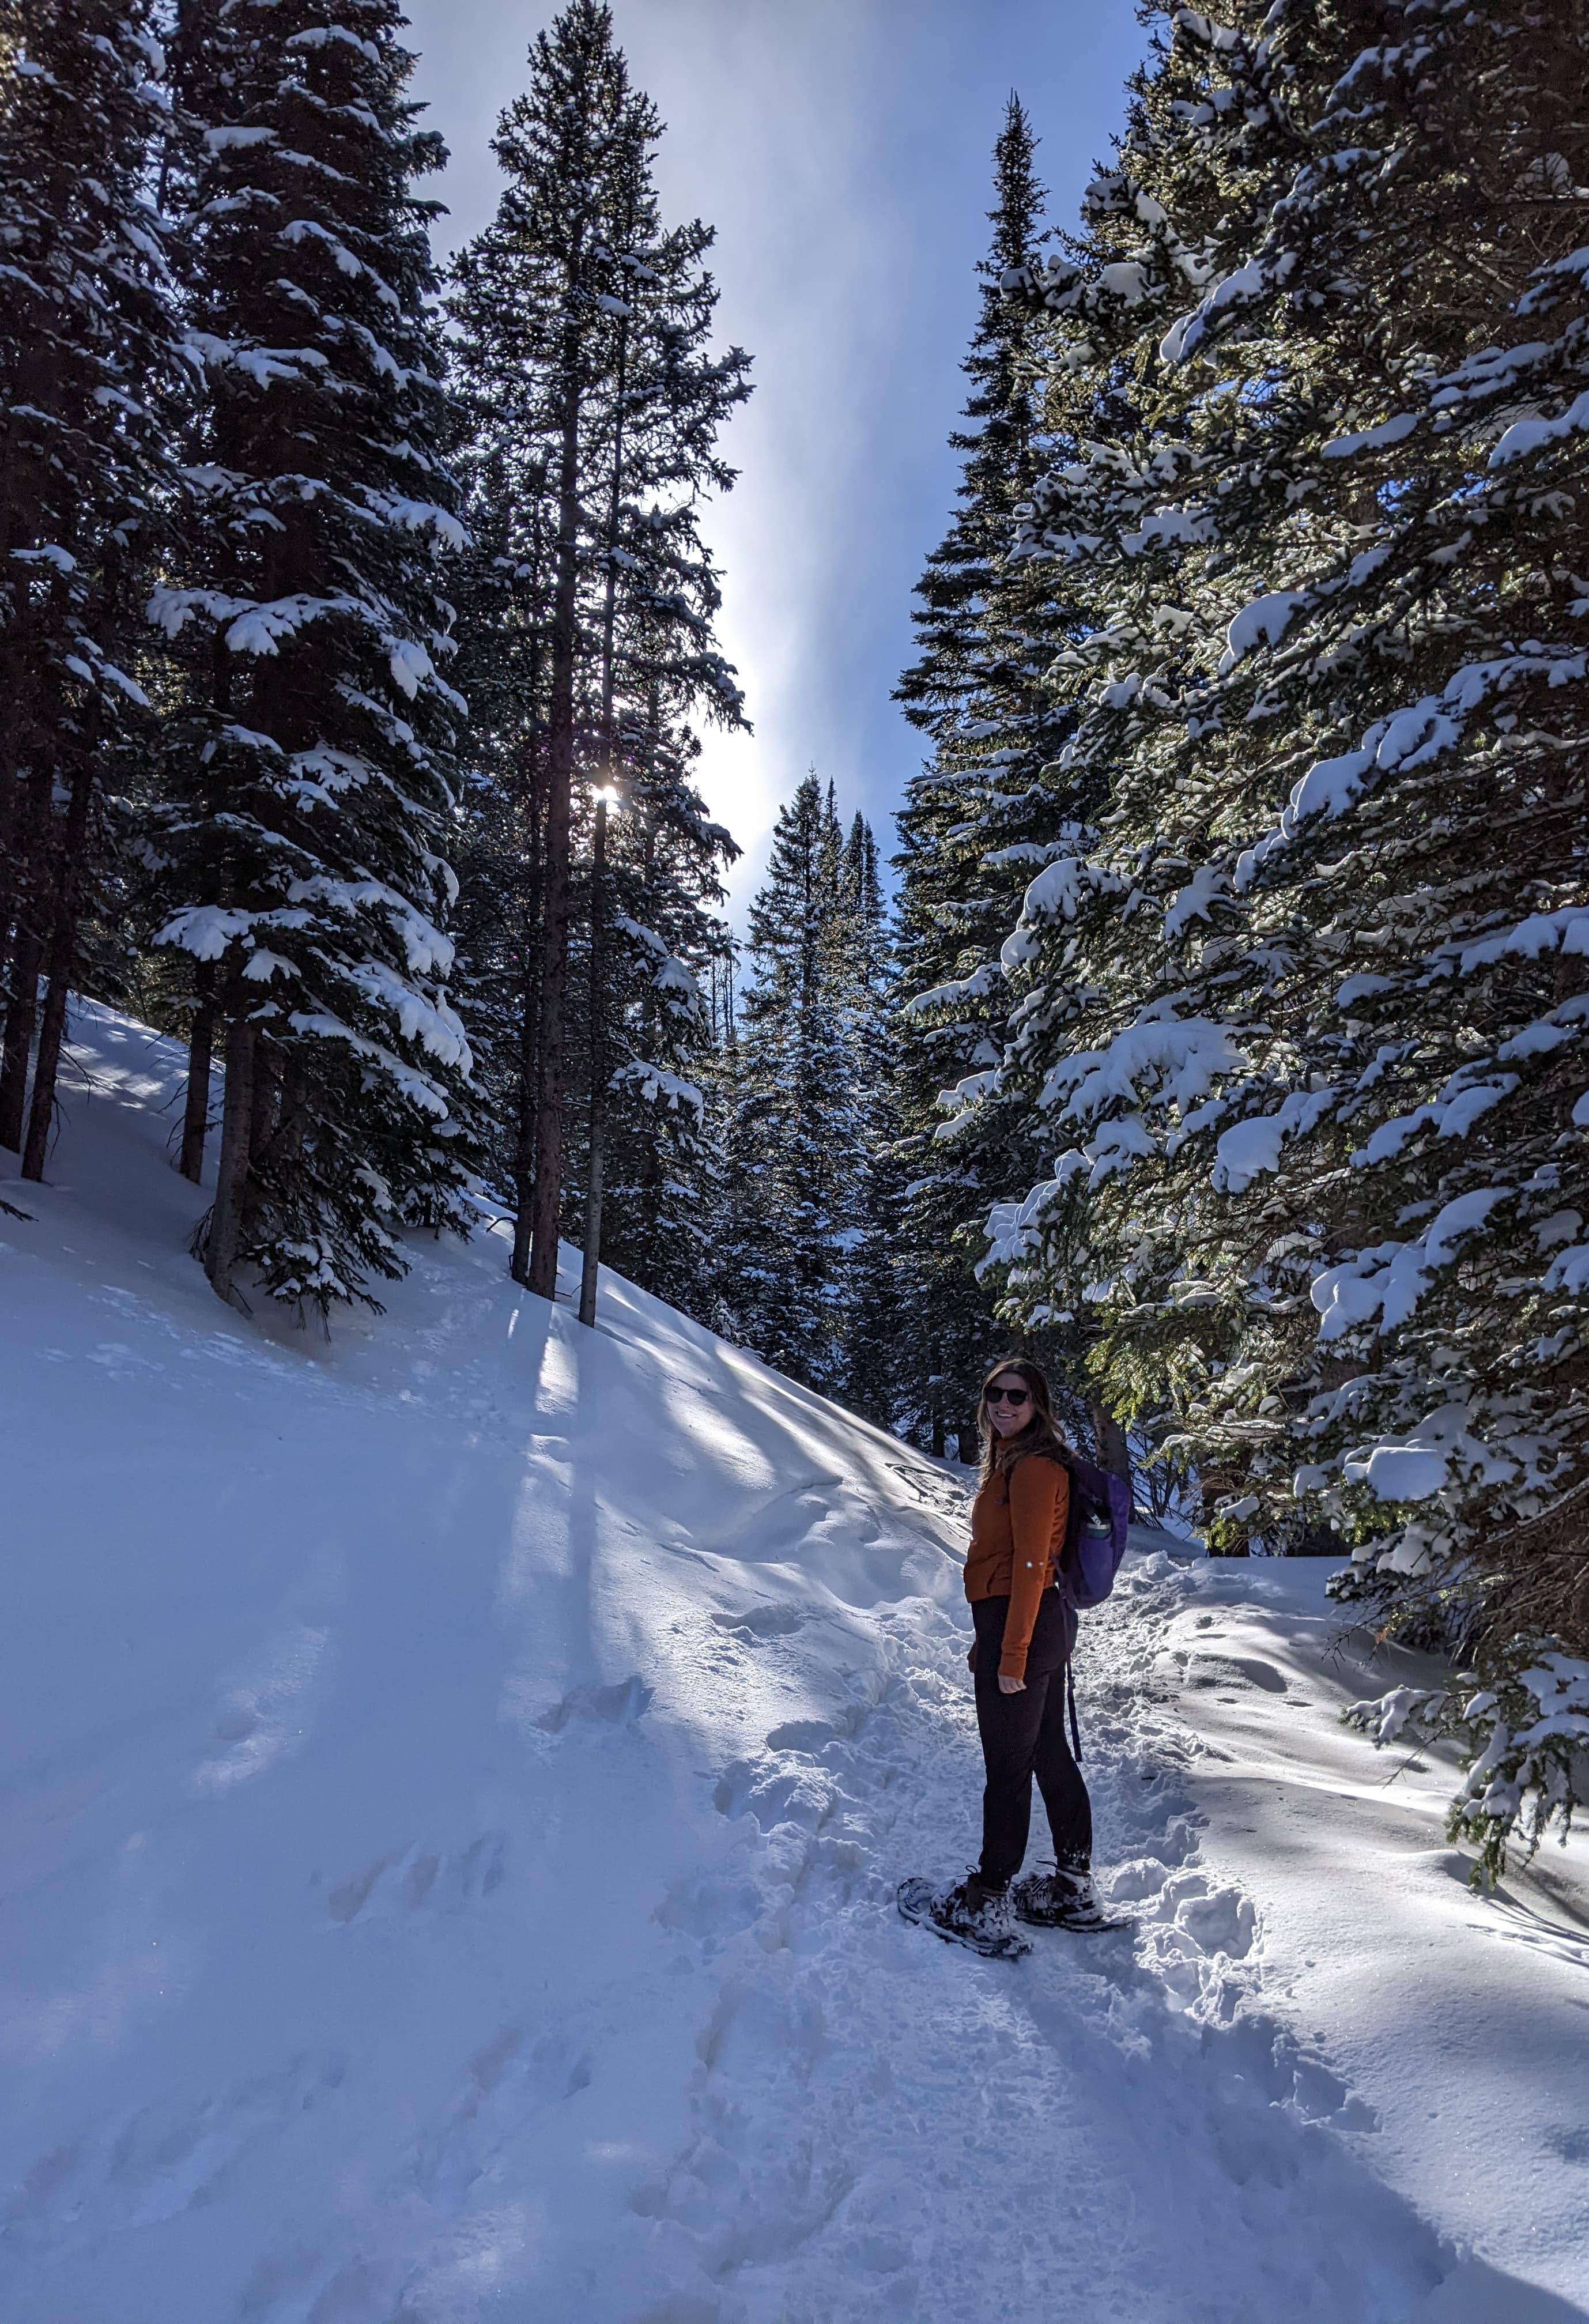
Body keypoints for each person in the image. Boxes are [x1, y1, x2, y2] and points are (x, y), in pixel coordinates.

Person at [904, 1356, 1105, 1952]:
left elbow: (1030, 1567)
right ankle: (1073, 1887)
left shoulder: (1035, 1470)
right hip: (1027, 1625)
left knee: (1009, 1769)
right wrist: (989, 1639)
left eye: (1017, 1396)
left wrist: (1010, 1652)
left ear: (1038, 1403)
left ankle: (988, 1901)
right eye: (995, 1393)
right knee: (1045, 1751)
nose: (1004, 1405)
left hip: (1029, 1624)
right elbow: (1011, 1563)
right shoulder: (1018, 1462)